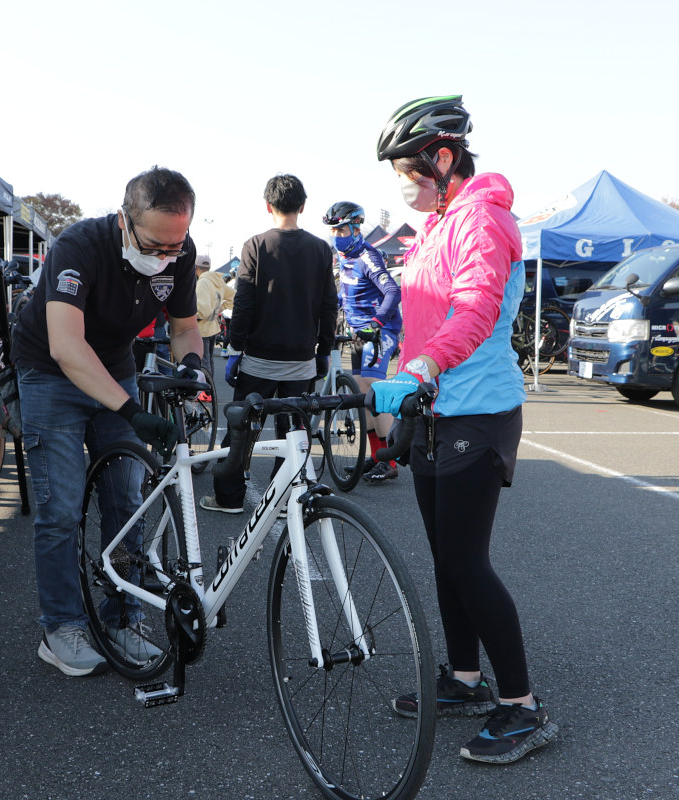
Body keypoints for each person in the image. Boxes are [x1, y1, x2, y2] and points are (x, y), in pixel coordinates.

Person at [371, 96, 559, 763]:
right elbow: (419, 319)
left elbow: (476, 307)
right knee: (446, 560)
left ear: (442, 158)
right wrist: (402, 381)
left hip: (477, 408)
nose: (400, 183)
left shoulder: (481, 219)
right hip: (434, 408)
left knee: (465, 562)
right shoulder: (439, 222)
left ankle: (522, 707)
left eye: (405, 169)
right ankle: (465, 679)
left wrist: (428, 362)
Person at [11, 166, 205, 677]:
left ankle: (122, 617)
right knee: (61, 507)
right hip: (51, 370)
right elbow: (66, 347)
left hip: (115, 365)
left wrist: (192, 366)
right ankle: (61, 627)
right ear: (124, 221)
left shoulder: (177, 252)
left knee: (127, 500)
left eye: (176, 246)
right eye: (156, 245)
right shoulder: (78, 247)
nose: (166, 256)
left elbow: (185, 327)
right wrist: (131, 411)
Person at [200, 174, 337, 514]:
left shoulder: (256, 245)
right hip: (302, 359)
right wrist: (324, 351)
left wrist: (234, 348)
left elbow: (244, 303)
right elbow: (328, 305)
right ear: (302, 206)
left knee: (242, 428)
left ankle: (228, 497)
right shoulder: (321, 249)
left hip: (259, 357)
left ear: (268, 206)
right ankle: (282, 499)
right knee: (294, 432)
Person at [322, 201, 403, 483]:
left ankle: (390, 460)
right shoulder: (343, 258)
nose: (337, 235)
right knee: (362, 393)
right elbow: (342, 297)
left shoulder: (368, 257)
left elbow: (393, 291)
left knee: (372, 388)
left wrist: (376, 323)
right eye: (334, 231)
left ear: (357, 228)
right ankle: (377, 456)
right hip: (358, 334)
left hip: (379, 332)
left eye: (342, 229)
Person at [195, 254, 232, 374]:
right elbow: (236, 296)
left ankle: (205, 389)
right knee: (209, 361)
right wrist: (220, 308)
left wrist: (189, 315)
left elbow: (202, 311)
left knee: (203, 363)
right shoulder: (216, 280)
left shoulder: (203, 282)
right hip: (213, 327)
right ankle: (210, 389)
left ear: (195, 267)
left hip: (202, 328)